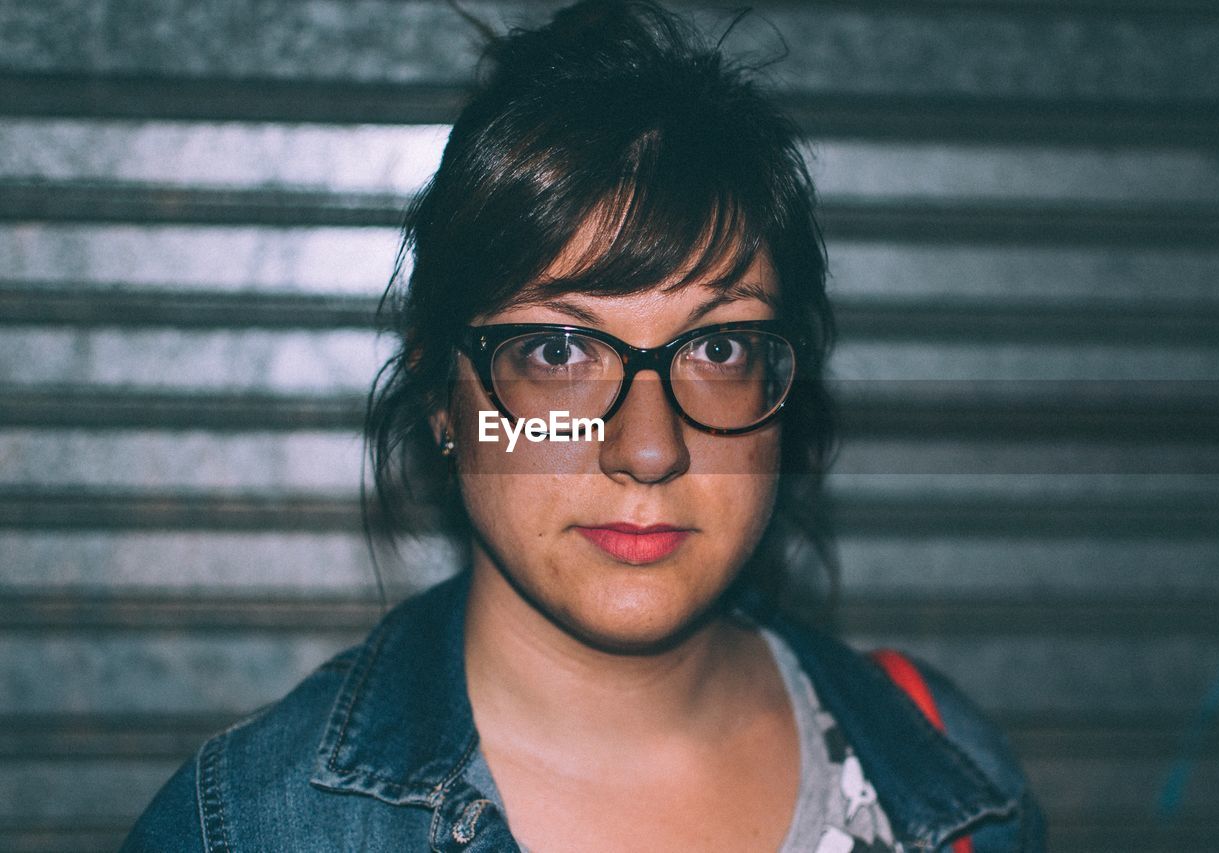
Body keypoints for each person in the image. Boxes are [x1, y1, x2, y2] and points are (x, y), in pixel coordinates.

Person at [123, 1, 1044, 850]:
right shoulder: (247, 826)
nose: (648, 448)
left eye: (718, 351)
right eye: (559, 352)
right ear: (441, 390)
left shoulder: (951, 775)